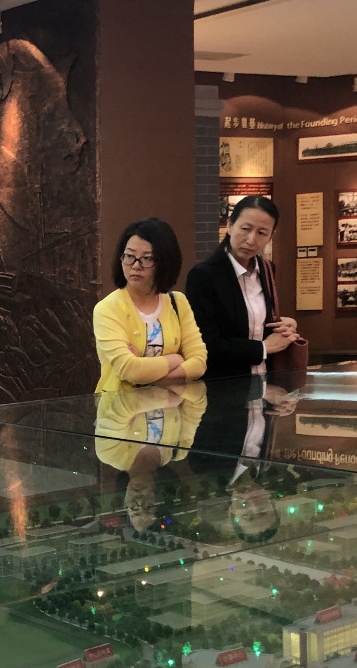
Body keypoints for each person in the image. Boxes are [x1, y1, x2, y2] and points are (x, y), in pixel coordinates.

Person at [185, 195, 299, 380]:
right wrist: (263, 348)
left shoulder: (267, 269)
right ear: (230, 225)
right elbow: (206, 343)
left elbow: (255, 326)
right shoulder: (203, 275)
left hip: (264, 380)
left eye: (262, 233)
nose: (251, 240)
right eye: (245, 229)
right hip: (224, 385)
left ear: (271, 236)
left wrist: (284, 326)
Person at [93, 217, 206, 393]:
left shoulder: (178, 302)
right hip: (122, 408)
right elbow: (130, 370)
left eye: (147, 258)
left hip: (172, 408)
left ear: (165, 262)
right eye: (129, 256)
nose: (135, 266)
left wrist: (147, 372)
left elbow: (198, 363)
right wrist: (176, 359)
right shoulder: (108, 308)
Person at [95, 381, 207, 532]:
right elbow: (198, 396)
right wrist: (169, 385)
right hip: (172, 369)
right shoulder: (179, 449)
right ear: (161, 499)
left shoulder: (109, 453)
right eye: (148, 506)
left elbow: (124, 403)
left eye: (133, 508)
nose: (138, 500)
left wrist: (171, 398)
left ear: (125, 502)